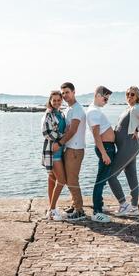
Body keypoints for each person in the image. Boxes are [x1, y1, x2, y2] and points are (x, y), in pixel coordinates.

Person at [107, 85, 139, 216]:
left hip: (129, 146)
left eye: (132, 94)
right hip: (127, 146)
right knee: (131, 176)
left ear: (137, 96)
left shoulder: (136, 109)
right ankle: (134, 207)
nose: (129, 96)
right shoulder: (129, 109)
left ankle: (124, 205)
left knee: (111, 176)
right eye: (127, 94)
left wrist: (138, 130)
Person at [86, 86, 116, 223]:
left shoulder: (95, 111)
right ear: (98, 95)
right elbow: (96, 135)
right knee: (101, 180)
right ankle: (97, 211)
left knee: (102, 179)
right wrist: (104, 153)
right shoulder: (93, 112)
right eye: (105, 98)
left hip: (107, 147)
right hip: (105, 148)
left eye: (108, 99)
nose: (106, 101)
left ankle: (100, 205)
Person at [58, 81, 87, 221]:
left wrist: (59, 143)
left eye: (67, 92)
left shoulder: (77, 109)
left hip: (75, 149)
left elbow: (73, 130)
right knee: (69, 179)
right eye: (63, 93)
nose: (64, 95)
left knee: (72, 179)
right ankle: (74, 204)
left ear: (74, 92)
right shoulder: (68, 109)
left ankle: (80, 210)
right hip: (69, 148)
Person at [41, 90, 67, 220]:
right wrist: (62, 137)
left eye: (58, 100)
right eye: (54, 100)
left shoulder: (61, 114)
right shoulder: (49, 115)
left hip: (60, 150)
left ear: (61, 100)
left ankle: (52, 207)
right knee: (62, 180)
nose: (56, 102)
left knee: (52, 181)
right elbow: (46, 132)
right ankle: (52, 210)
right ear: (50, 101)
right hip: (53, 151)